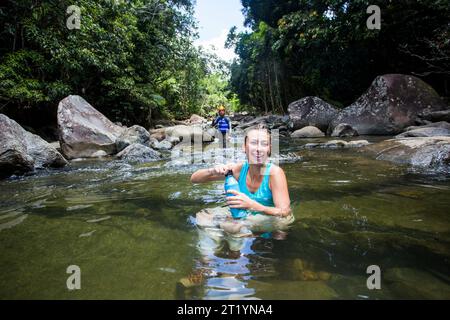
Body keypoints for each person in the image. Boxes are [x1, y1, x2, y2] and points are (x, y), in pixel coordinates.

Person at [191, 124, 292, 235]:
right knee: (202, 217)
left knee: (235, 226)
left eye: (264, 144)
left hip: (269, 218)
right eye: (253, 143)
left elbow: (285, 212)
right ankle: (214, 249)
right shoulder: (239, 170)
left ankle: (236, 242)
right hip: (245, 216)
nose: (258, 149)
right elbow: (194, 179)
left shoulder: (274, 173)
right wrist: (212, 171)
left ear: (269, 149)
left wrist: (253, 205)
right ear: (244, 147)